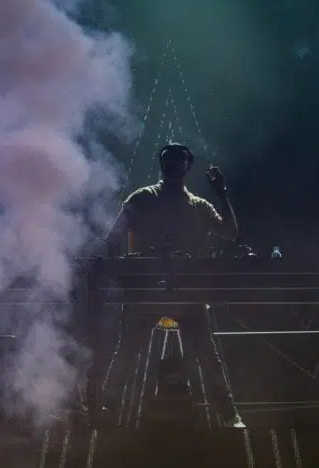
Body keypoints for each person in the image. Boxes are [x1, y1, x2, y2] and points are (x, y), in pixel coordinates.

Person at [102, 142, 244, 428]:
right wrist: (128, 272)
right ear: (162, 164)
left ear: (186, 166)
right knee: (128, 350)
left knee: (206, 354)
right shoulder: (143, 198)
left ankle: (229, 413)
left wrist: (222, 194)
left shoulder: (197, 206)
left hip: (186, 293)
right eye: (169, 159)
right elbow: (113, 237)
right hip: (150, 293)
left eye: (179, 159)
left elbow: (230, 232)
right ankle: (107, 408)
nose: (174, 164)